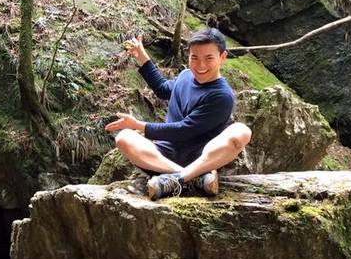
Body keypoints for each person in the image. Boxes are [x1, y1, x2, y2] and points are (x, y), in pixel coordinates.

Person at [105, 28, 252, 199]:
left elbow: (184, 130)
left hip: (202, 158)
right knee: (124, 138)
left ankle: (179, 178)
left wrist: (139, 125)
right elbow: (162, 89)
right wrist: (142, 56)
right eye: (194, 57)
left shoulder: (222, 96)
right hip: (161, 159)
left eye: (209, 58)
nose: (200, 65)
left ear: (222, 57)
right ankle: (190, 177)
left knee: (242, 131)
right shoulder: (186, 76)